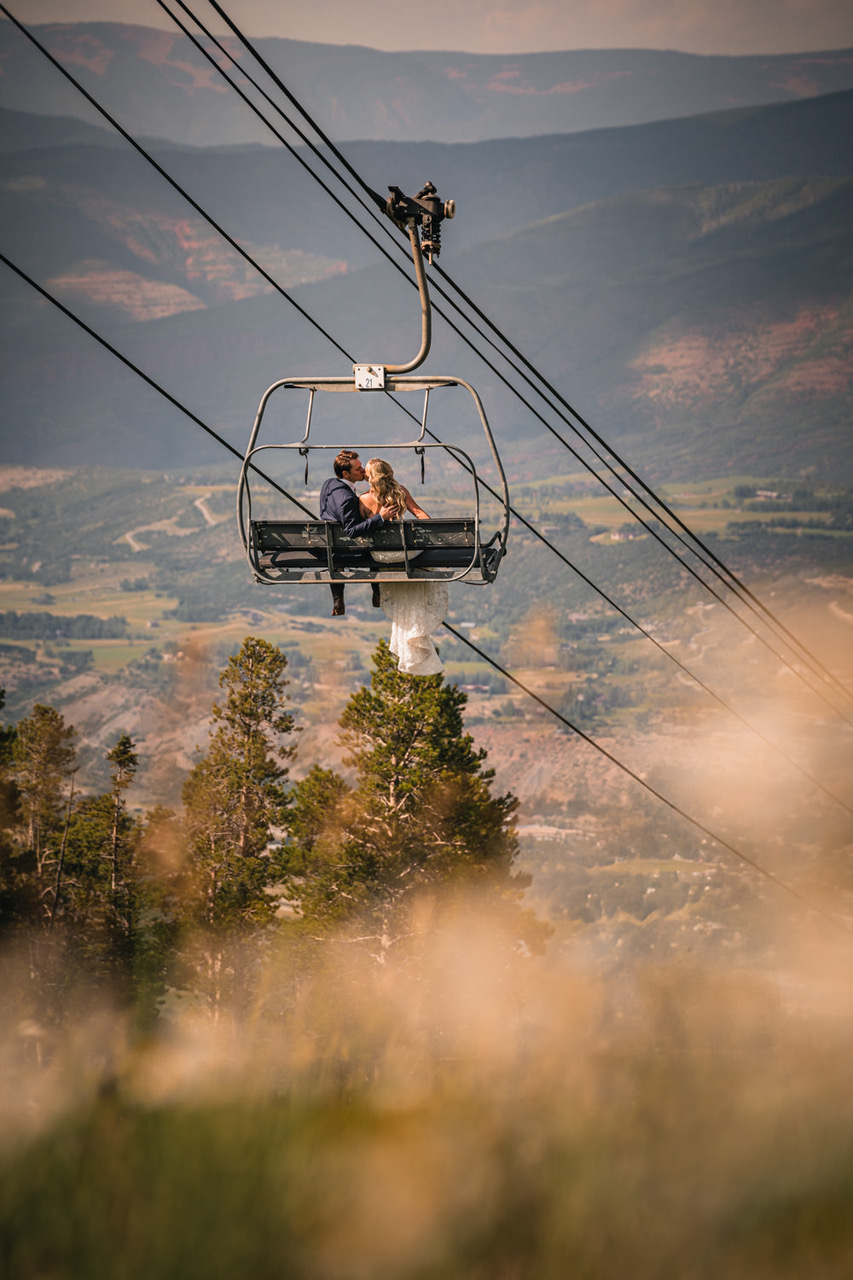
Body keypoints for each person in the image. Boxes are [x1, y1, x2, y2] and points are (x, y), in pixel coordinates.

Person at [359, 457, 449, 676]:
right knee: (423, 557)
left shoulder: (363, 499)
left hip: (380, 556)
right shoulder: (401, 492)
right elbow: (419, 514)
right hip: (404, 554)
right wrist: (434, 532)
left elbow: (361, 530)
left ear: (372, 477)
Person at [319, 449, 395, 616]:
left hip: (329, 547)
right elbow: (352, 530)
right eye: (358, 469)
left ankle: (338, 599)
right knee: (374, 549)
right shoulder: (347, 498)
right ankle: (377, 592)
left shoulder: (329, 484)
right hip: (343, 550)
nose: (363, 471)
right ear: (346, 473)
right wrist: (380, 518)